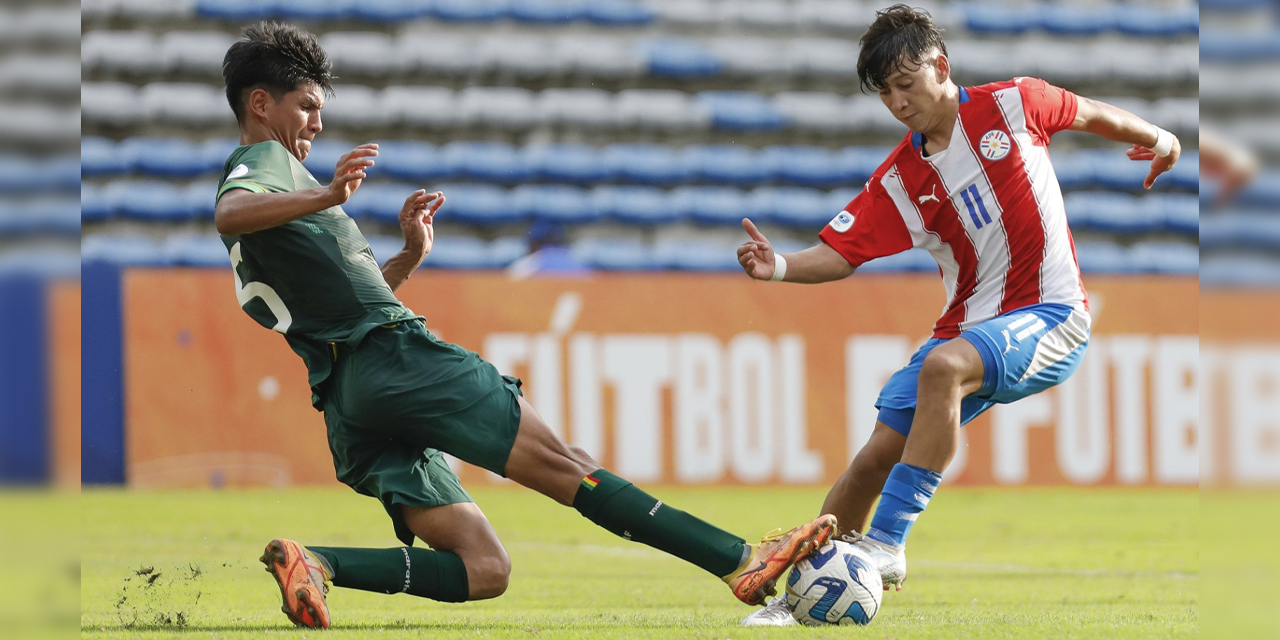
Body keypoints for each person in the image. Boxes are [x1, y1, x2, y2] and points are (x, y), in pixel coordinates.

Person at [213, 22, 835, 629]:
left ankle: (315, 562)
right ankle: (742, 563)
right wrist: (328, 198)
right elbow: (229, 212)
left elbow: (341, 298)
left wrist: (408, 256)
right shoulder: (264, 161)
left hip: (349, 398)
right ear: (262, 103)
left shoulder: (282, 199)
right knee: (570, 465)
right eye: (307, 106)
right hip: (397, 361)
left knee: (484, 568)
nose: (316, 123)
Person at [736, 5, 1181, 625]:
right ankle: (801, 598)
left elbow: (1092, 114)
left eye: (905, 84)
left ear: (939, 67)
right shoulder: (900, 178)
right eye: (885, 92)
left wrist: (1161, 139)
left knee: (943, 368)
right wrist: (779, 265)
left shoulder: (1016, 104)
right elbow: (840, 254)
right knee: (871, 459)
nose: (897, 101)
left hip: (1053, 314)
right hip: (971, 326)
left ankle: (887, 544)